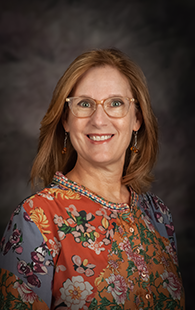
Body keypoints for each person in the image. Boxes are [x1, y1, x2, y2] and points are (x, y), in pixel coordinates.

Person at [0, 48, 185, 310]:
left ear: (137, 119)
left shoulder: (158, 216)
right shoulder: (36, 218)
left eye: (116, 103)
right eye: (84, 104)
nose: (99, 120)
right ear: (66, 119)